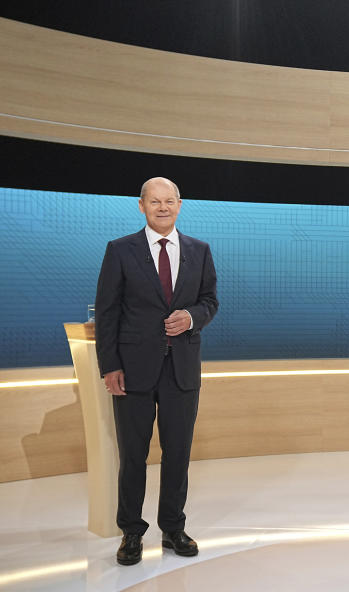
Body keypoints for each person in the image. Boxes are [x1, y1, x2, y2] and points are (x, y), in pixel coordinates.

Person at [95, 177, 219, 565]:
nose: (162, 207)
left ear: (179, 205)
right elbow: (108, 312)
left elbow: (210, 300)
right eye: (154, 201)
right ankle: (131, 531)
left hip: (182, 368)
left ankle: (173, 528)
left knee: (178, 452)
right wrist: (110, 365)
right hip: (132, 370)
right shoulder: (120, 250)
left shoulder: (200, 250)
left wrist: (192, 317)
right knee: (133, 454)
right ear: (141, 205)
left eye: (169, 201)